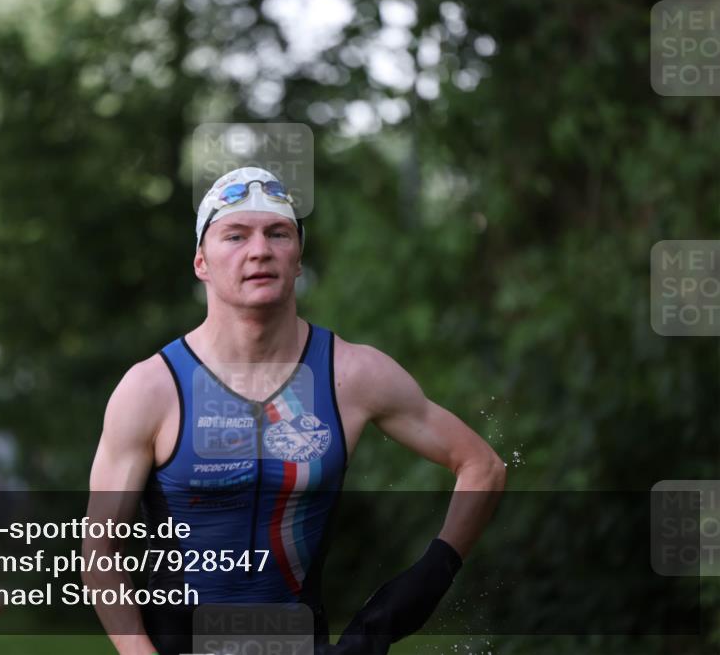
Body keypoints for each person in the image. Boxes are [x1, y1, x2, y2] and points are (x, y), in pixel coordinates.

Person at [87, 167, 506, 655]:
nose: (259, 250)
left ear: (298, 258)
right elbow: (100, 551)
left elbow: (482, 466)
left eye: (278, 233)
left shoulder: (351, 374)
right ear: (201, 261)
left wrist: (404, 601)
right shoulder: (152, 389)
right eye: (235, 235)